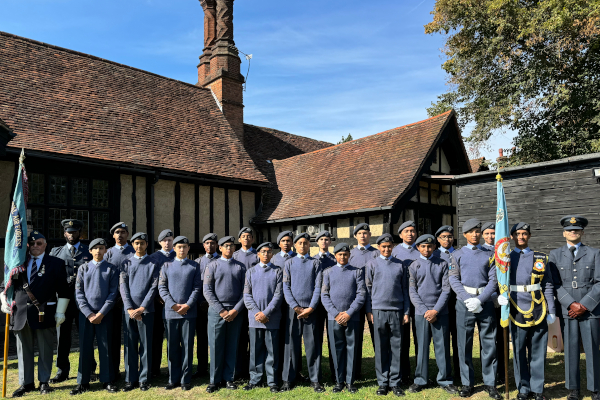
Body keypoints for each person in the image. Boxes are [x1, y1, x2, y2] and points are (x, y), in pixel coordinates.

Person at [0, 231, 70, 397]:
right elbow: (5, 286)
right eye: (32, 244)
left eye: (39, 243)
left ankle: (44, 381)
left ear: (45, 245)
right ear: (28, 246)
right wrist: (3, 302)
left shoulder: (56, 263)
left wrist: (60, 312)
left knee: (45, 349)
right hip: (21, 314)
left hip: (44, 312)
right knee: (23, 350)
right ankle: (26, 383)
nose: (35, 246)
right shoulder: (18, 263)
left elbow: (64, 291)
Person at [497, 222, 555, 400]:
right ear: (512, 237)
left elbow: (548, 285)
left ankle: (537, 389)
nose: (521, 237)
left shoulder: (541, 258)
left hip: (538, 307)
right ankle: (523, 388)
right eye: (517, 234)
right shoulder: (505, 258)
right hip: (515, 307)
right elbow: (498, 280)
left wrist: (551, 310)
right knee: (519, 350)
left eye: (524, 233)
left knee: (538, 350)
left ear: (529, 236)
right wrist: (498, 297)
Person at [449, 218, 501, 399]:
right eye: (471, 231)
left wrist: (480, 300)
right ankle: (467, 383)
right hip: (464, 303)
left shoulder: (489, 254)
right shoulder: (457, 254)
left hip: (485, 302)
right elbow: (453, 278)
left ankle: (490, 383)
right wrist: (467, 299)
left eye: (477, 231)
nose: (475, 234)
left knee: (489, 343)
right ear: (464, 234)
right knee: (464, 343)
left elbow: (493, 280)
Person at [549, 216, 600, 400]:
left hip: (590, 310)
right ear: (564, 233)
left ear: (582, 232)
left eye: (577, 230)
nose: (573, 232)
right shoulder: (555, 255)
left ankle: (595, 389)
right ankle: (573, 389)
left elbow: (599, 282)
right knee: (570, 350)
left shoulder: (595, 253)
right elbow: (554, 283)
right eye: (569, 230)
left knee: (592, 349)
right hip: (568, 309)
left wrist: (584, 305)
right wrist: (571, 304)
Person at [408, 234, 456, 394]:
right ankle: (420, 379)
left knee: (442, 346)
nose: (426, 249)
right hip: (421, 313)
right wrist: (424, 311)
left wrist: (436, 310)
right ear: (418, 248)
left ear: (435, 247)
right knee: (422, 347)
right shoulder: (414, 266)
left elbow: (446, 290)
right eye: (423, 246)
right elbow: (412, 291)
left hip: (440, 312)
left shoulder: (442, 264)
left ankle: (445, 379)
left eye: (429, 246)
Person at [70, 238, 119, 395]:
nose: (98, 251)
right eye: (95, 248)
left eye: (101, 248)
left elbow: (113, 293)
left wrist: (101, 313)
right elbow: (78, 293)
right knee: (85, 347)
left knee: (106, 347)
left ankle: (107, 380)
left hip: (105, 315)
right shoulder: (83, 268)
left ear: (106, 251)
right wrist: (88, 313)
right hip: (86, 315)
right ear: (90, 251)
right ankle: (83, 382)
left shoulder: (111, 269)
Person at [49, 219, 93, 384]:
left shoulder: (89, 251)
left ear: (80, 233)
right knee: (62, 337)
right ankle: (62, 370)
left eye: (74, 232)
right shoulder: (56, 252)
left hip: (84, 301)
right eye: (69, 232)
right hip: (63, 301)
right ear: (64, 233)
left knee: (85, 335)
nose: (71, 234)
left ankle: (89, 367)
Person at [365, 233, 410, 397]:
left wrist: (406, 311)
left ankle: (395, 382)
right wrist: (369, 310)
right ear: (379, 247)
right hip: (378, 310)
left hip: (397, 310)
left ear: (393, 247)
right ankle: (383, 382)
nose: (386, 249)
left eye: (389, 246)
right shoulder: (371, 264)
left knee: (396, 347)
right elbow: (368, 289)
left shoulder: (400, 265)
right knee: (381, 347)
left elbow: (405, 289)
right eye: (383, 246)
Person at [281, 232, 325, 393]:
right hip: (293, 310)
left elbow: (318, 286)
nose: (302, 245)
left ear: (309, 245)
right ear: (295, 245)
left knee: (312, 345)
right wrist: (295, 306)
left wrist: (311, 307)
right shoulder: (289, 263)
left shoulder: (316, 263)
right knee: (291, 345)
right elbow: (286, 287)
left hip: (311, 310)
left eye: (305, 243)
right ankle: (288, 379)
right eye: (299, 243)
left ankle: (315, 379)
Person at [203, 236, 246, 393]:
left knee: (232, 345)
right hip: (217, 312)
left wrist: (235, 310)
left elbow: (246, 291)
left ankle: (229, 378)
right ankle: (214, 380)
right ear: (220, 248)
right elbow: (207, 290)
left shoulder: (240, 267)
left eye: (231, 246)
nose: (229, 248)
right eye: (226, 246)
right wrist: (221, 310)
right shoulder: (212, 266)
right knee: (216, 345)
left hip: (235, 312)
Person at [321, 242, 366, 394]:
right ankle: (339, 381)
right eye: (340, 254)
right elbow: (324, 295)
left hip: (352, 317)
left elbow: (361, 294)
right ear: (335, 256)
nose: (342, 257)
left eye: (345, 254)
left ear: (349, 255)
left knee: (352, 349)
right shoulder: (328, 272)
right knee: (337, 349)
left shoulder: (357, 272)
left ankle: (350, 381)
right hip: (334, 318)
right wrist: (335, 313)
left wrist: (349, 313)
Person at [158, 236, 202, 391]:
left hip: (189, 313)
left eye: (184, 247)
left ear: (188, 248)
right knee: (172, 346)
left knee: (188, 346)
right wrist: (173, 305)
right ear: (174, 248)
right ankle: (173, 378)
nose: (182, 249)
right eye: (179, 247)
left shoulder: (194, 266)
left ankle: (185, 379)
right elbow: (162, 287)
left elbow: (197, 287)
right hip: (171, 313)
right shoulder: (166, 265)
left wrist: (188, 305)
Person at [120, 232, 160, 392]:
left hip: (146, 311)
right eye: (136, 243)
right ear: (132, 244)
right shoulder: (126, 263)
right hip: (129, 311)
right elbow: (123, 286)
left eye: (142, 243)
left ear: (147, 244)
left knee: (146, 345)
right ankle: (130, 379)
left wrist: (142, 307)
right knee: (129, 345)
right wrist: (130, 307)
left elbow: (154, 287)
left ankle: (144, 379)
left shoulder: (154, 263)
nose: (139, 246)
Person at [243, 242, 283, 393]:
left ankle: (272, 381)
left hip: (272, 318)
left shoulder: (277, 271)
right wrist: (257, 313)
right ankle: (255, 379)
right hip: (255, 318)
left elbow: (278, 295)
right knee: (255, 350)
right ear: (258, 254)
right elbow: (247, 295)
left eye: (269, 251)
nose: (266, 254)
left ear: (272, 254)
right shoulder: (250, 272)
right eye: (263, 251)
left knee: (272, 351)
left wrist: (266, 313)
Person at [105, 222, 135, 380]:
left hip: (131, 302)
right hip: (113, 302)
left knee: (131, 337)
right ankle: (114, 370)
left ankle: (131, 371)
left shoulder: (134, 251)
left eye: (123, 232)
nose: (120, 235)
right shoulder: (108, 253)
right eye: (117, 232)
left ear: (127, 235)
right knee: (113, 337)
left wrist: (126, 299)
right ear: (113, 235)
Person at [348, 223, 379, 380]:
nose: (362, 235)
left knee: (378, 337)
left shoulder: (377, 253)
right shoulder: (350, 254)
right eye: (359, 233)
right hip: (356, 300)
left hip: (374, 299)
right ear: (355, 236)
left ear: (370, 235)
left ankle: (381, 372)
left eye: (365, 233)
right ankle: (355, 372)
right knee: (355, 338)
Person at [391, 220, 420, 384]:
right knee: (402, 338)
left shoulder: (421, 249)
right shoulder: (394, 252)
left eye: (413, 231)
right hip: (401, 300)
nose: (410, 234)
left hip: (420, 300)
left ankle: (420, 372)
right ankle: (403, 373)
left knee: (419, 338)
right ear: (400, 234)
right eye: (407, 231)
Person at [433, 225, 460, 379]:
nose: (447, 239)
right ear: (438, 239)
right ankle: (443, 370)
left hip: (457, 300)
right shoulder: (434, 254)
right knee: (442, 338)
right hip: (441, 301)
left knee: (458, 337)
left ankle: (459, 371)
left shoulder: (459, 253)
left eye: (450, 236)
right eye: (443, 237)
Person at [480, 221, 504, 385]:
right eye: (487, 233)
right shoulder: (480, 251)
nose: (490, 236)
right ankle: (488, 372)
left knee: (501, 338)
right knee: (488, 338)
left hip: (503, 300)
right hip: (487, 299)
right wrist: (492, 295)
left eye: (493, 233)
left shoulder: (504, 250)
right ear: (483, 235)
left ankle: (501, 371)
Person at [232, 227, 258, 380]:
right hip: (239, 302)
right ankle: (239, 369)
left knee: (254, 338)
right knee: (240, 337)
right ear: (239, 239)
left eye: (249, 236)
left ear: (252, 239)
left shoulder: (258, 255)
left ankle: (252, 368)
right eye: (244, 236)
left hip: (255, 300)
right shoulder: (234, 255)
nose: (246, 238)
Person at [149, 228, 175, 378]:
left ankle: (174, 368)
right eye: (164, 240)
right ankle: (154, 369)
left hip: (175, 303)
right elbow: (151, 280)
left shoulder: (177, 256)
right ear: (160, 242)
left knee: (173, 337)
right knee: (156, 336)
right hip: (157, 304)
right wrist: (157, 297)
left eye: (170, 240)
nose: (167, 243)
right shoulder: (153, 258)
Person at [192, 232, 219, 379]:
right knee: (202, 339)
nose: (210, 245)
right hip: (200, 306)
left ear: (217, 245)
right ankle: (202, 368)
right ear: (203, 245)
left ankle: (217, 368)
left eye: (213, 243)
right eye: (207, 243)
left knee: (217, 339)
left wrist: (212, 303)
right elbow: (194, 284)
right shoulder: (197, 262)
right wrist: (200, 302)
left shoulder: (221, 260)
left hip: (217, 306)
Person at [270, 230, 295, 383]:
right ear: (279, 243)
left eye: (288, 240)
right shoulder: (273, 259)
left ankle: (293, 369)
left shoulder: (296, 257)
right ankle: (277, 369)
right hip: (277, 304)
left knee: (291, 337)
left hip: (293, 305)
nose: (286, 243)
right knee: (277, 338)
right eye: (283, 241)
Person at [314, 230, 337, 383]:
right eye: (321, 239)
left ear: (330, 242)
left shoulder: (335, 259)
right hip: (316, 304)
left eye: (327, 239)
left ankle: (335, 372)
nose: (324, 241)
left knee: (333, 338)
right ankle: (316, 373)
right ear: (317, 242)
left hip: (330, 303)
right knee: (316, 338)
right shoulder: (312, 260)